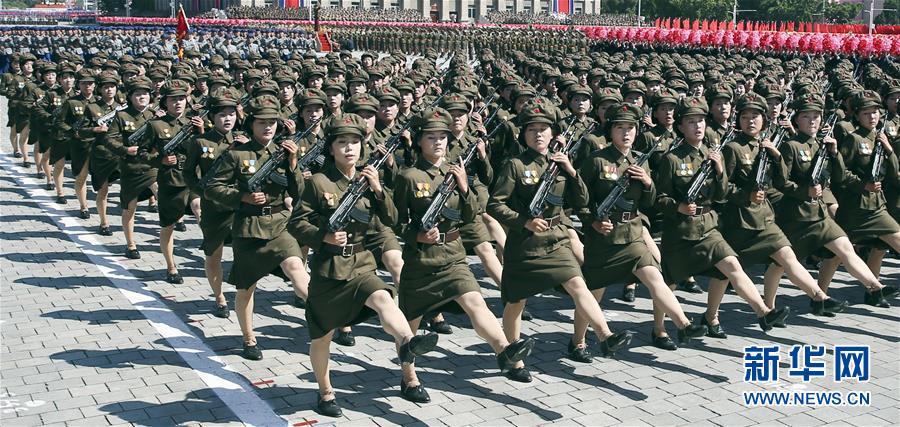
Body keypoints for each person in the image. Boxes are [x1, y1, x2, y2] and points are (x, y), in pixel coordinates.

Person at [288, 113, 438, 417]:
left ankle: (408, 342)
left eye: (355, 142)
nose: (349, 148)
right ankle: (325, 392)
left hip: (360, 264)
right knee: (322, 336)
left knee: (384, 296)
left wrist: (380, 191)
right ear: (331, 148)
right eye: (342, 142)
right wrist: (324, 236)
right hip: (329, 271)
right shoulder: (319, 182)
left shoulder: (369, 180)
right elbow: (297, 224)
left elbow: (394, 220)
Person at [393, 107, 536, 402]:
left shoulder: (456, 172)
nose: (438, 143)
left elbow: (471, 214)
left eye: (443, 137)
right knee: (410, 328)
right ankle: (409, 379)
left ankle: (504, 350)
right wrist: (417, 235)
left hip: (453, 255)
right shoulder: (408, 176)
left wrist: (464, 186)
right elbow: (394, 222)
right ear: (419, 141)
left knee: (475, 301)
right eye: (431, 137)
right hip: (421, 262)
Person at [487, 100, 633, 383]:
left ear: (553, 134)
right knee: (516, 302)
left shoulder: (560, 163)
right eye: (532, 130)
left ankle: (605, 335)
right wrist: (523, 221)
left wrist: (571, 171)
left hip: (556, 239)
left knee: (578, 284)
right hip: (526, 243)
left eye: (543, 129)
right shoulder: (515, 165)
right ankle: (513, 357)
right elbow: (495, 204)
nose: (538, 134)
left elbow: (582, 200)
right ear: (524, 134)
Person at [574, 102, 708, 357]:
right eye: (620, 127)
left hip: (633, 233)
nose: (626, 133)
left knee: (655, 277)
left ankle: (684, 324)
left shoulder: (639, 162)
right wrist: (591, 221)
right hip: (604, 237)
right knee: (593, 294)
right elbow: (578, 199)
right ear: (610, 130)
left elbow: (651, 202)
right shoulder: (596, 161)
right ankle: (577, 342)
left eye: (631, 128)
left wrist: (647, 183)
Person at [655, 96, 792, 339]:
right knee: (670, 282)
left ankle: (762, 312)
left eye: (700, 121)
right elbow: (659, 198)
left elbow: (720, 196)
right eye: (690, 122)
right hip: (680, 231)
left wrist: (719, 172)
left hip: (708, 227)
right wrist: (677, 207)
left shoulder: (712, 154)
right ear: (680, 127)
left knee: (732, 265)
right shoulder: (671, 159)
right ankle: (660, 329)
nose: (697, 126)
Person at [204, 95, 309, 360]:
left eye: (272, 122)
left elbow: (298, 192)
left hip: (279, 225)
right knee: (246, 287)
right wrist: (242, 196)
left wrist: (294, 164)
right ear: (251, 124)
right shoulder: (236, 154)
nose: (268, 127)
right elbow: (212, 188)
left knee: (297, 269)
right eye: (262, 122)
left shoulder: (284, 152)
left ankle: (323, 317)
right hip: (249, 228)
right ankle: (249, 339)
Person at [768, 93, 892, 310]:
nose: (812, 121)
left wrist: (834, 154)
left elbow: (839, 177)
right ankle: (767, 307)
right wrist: (804, 191)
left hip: (819, 214)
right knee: (779, 265)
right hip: (795, 216)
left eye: (816, 116)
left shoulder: (823, 145)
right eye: (807, 117)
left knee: (845, 248)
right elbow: (781, 182)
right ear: (797, 120)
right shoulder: (791, 146)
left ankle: (875, 286)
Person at [833, 90, 900, 307]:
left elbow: (893, 173)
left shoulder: (881, 137)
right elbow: (840, 174)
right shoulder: (853, 139)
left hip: (877, 206)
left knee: (883, 245)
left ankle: (873, 292)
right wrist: (863, 185)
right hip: (854, 207)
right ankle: (820, 295)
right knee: (834, 254)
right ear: (857, 116)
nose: (872, 117)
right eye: (866, 113)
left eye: (875, 112)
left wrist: (889, 150)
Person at [184, 88, 246, 318]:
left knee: (244, 254)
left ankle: (243, 294)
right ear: (212, 117)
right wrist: (201, 192)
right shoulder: (200, 142)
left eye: (231, 113)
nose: (227, 118)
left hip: (240, 207)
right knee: (214, 254)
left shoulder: (244, 141)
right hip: (215, 209)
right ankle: (219, 297)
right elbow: (188, 173)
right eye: (221, 114)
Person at [144, 79, 203, 284]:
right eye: (173, 99)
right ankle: (171, 266)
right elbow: (142, 153)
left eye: (182, 98)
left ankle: (210, 248)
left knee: (198, 206)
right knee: (167, 226)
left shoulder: (196, 121)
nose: (178, 103)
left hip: (192, 179)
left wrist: (202, 132)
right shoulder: (155, 125)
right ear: (165, 102)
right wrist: (159, 160)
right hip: (170, 182)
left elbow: (208, 148)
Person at [105, 76, 159, 259]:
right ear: (130, 97)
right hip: (131, 167)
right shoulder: (122, 116)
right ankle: (130, 244)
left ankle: (168, 231)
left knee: (161, 192)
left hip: (151, 166)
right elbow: (109, 139)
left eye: (145, 93)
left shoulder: (154, 115)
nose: (142, 97)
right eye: (137, 94)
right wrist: (125, 149)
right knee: (130, 207)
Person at [85, 71, 124, 236]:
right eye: (106, 87)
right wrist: (95, 129)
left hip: (121, 154)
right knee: (103, 191)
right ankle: (104, 222)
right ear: (100, 89)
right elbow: (79, 130)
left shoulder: (123, 107)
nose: (109, 90)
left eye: (112, 87)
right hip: (102, 155)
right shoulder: (92, 107)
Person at [54, 69, 97, 213]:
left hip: (98, 145)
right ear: (79, 84)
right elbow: (59, 122)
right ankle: (83, 206)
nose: (88, 86)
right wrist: (73, 132)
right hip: (80, 145)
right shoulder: (71, 102)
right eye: (84, 83)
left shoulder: (99, 102)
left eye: (90, 83)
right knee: (81, 176)